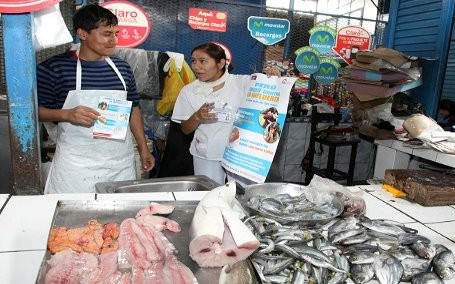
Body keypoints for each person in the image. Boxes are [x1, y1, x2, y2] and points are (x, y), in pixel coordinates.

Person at [37, 4, 155, 193]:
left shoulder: (122, 68)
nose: (114, 40)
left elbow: (133, 108)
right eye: (107, 34)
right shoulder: (55, 68)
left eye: (116, 33)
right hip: (76, 167)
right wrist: (67, 114)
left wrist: (143, 148)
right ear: (82, 34)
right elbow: (34, 112)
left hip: (118, 163)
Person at [171, 42, 280, 185]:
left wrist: (271, 76)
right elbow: (185, 129)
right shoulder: (189, 91)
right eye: (193, 61)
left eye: (203, 61)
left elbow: (269, 89)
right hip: (206, 153)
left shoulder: (242, 83)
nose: (197, 67)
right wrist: (197, 117)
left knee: (243, 195)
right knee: (211, 195)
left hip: (240, 154)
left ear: (221, 63)